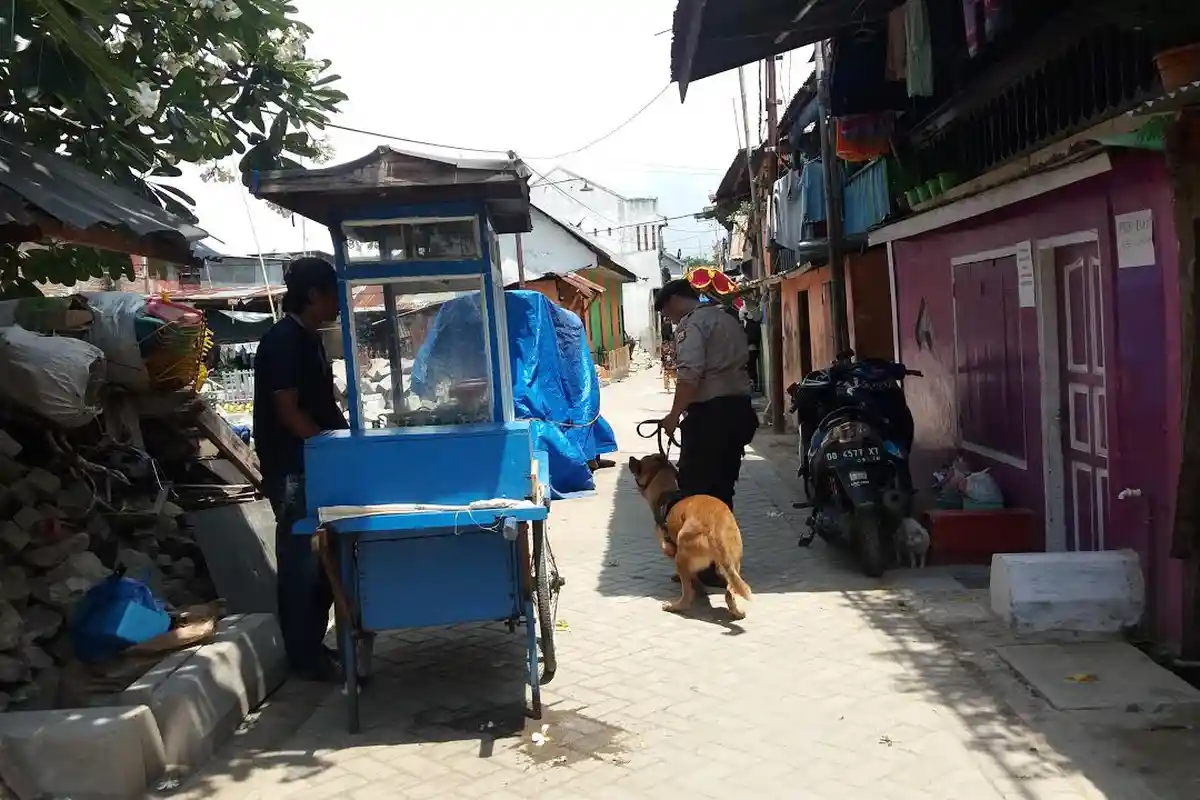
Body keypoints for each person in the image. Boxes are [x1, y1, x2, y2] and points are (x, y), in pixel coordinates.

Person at [253, 257, 348, 681]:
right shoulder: (282, 342)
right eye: (334, 292)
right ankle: (303, 657)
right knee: (300, 564)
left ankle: (313, 646)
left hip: (316, 465)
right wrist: (332, 448)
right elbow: (289, 413)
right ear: (314, 295)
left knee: (323, 560)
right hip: (294, 470)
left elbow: (321, 406)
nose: (340, 301)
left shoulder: (309, 339)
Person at [655, 279, 759, 586]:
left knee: (695, 493)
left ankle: (698, 567)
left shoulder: (692, 325)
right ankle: (721, 563)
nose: (668, 318)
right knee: (722, 490)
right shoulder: (726, 318)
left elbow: (690, 374)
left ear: (674, 300)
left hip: (709, 416)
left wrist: (673, 416)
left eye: (666, 311)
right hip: (738, 410)